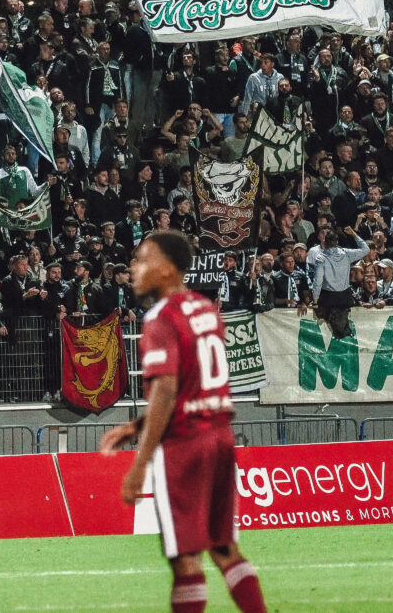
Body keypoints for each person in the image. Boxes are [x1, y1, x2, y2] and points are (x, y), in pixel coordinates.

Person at [97, 231, 268, 613]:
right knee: (225, 548)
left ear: (168, 269)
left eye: (143, 260)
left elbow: (168, 392)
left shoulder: (160, 317)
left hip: (185, 446)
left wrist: (140, 463)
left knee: (185, 560)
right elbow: (193, 387)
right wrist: (134, 426)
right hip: (220, 437)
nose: (134, 268)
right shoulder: (207, 310)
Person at [305, 226, 371, 339]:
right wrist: (353, 234)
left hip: (328, 300)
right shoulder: (346, 253)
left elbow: (318, 281)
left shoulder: (321, 258)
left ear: (325, 242)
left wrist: (315, 301)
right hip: (345, 298)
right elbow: (366, 249)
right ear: (336, 242)